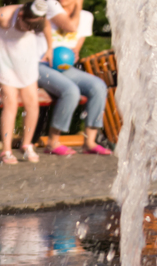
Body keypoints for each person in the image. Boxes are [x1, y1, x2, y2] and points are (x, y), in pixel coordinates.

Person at [0, 0, 52, 164]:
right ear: (21, 15)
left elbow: (46, 27)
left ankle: (26, 144)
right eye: (27, 26)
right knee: (11, 102)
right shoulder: (3, 16)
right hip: (2, 60)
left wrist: (50, 48)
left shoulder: (38, 19)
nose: (29, 30)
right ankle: (6, 150)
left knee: (32, 103)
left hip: (25, 58)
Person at [36, 0, 112, 156]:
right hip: (39, 65)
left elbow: (76, 45)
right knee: (71, 91)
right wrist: (78, 5)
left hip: (63, 67)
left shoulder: (86, 17)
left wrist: (74, 52)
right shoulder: (51, 5)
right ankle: (52, 142)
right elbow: (70, 27)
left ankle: (90, 142)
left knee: (98, 86)